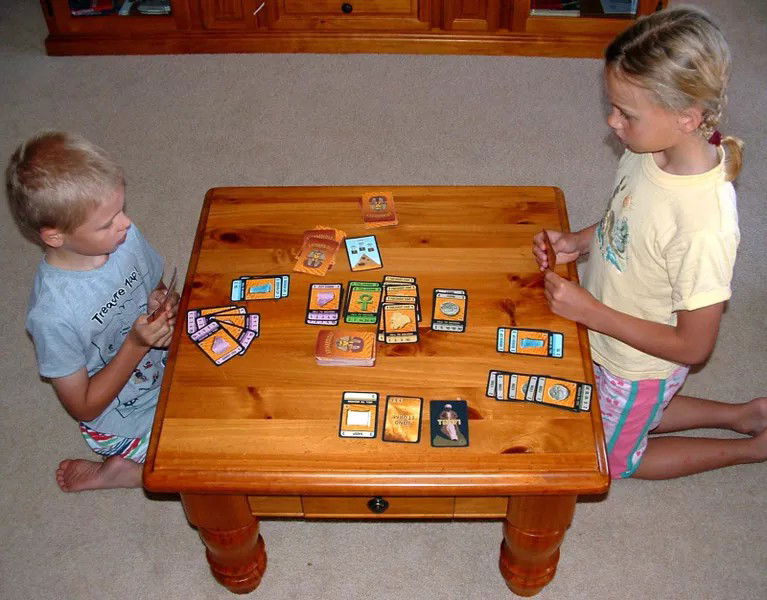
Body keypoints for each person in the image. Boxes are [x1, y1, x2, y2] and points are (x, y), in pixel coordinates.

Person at [532, 6, 767, 480]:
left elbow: (694, 346)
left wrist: (591, 313)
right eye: (612, 107)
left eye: (626, 113)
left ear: (687, 117)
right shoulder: (648, 150)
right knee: (615, 409)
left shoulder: (704, 225)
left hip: (638, 363)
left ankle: (751, 451)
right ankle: (739, 415)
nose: (613, 123)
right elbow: (631, 218)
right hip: (608, 334)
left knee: (614, 457)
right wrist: (581, 242)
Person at [6, 131, 179, 492]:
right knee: (202, 471)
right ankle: (126, 471)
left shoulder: (124, 238)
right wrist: (136, 343)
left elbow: (153, 286)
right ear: (55, 236)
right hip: (122, 418)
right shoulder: (53, 315)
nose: (125, 224)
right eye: (107, 222)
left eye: (121, 211)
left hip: (168, 368)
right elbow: (83, 406)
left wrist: (162, 304)